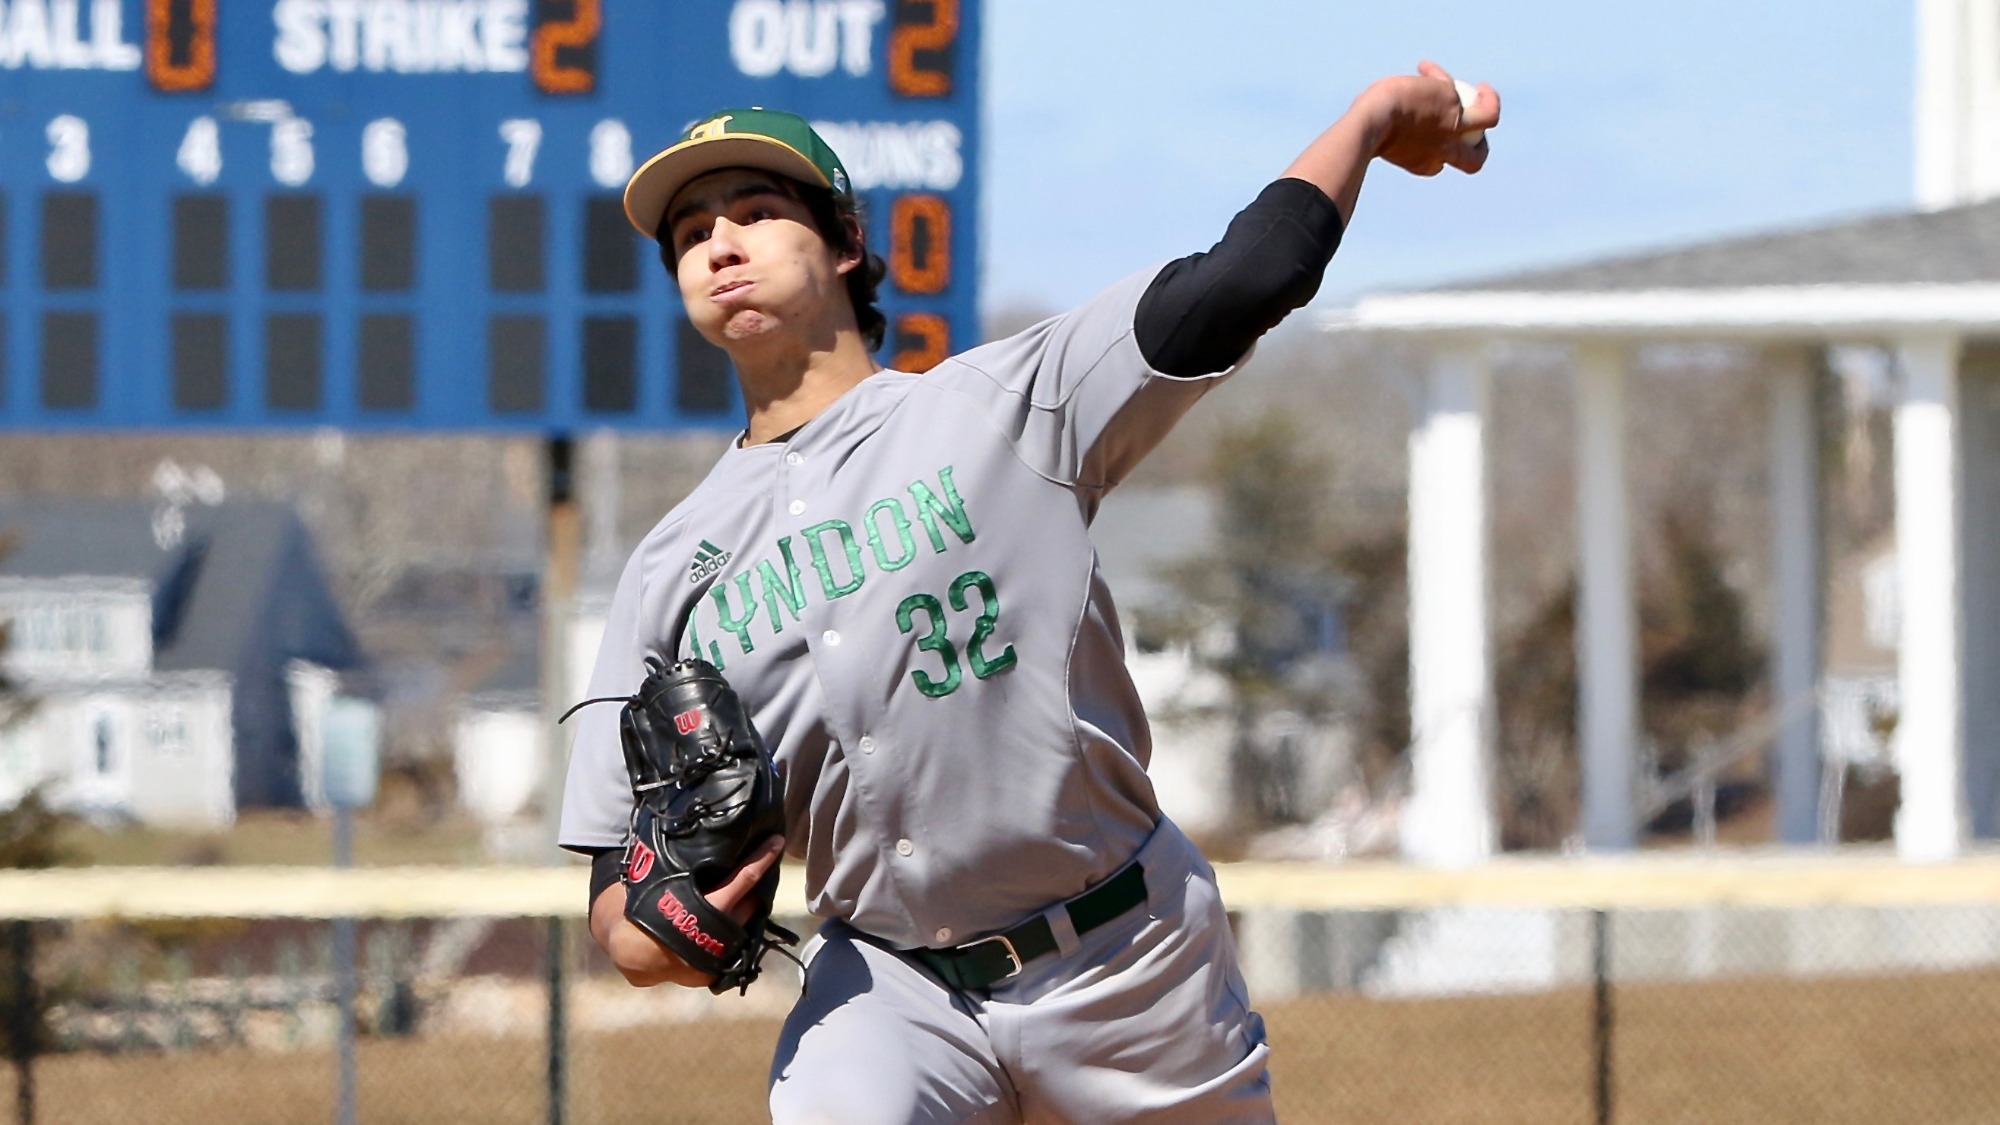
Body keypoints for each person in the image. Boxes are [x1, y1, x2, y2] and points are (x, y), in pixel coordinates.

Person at [559, 62, 1499, 1124]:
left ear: (846, 243)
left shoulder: (1003, 405)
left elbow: (1246, 278)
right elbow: (617, 898)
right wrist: (654, 934)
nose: (720, 244)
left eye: (757, 211)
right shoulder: (670, 563)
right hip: (888, 987)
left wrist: (1369, 121)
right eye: (691, 234)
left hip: (1122, 957)